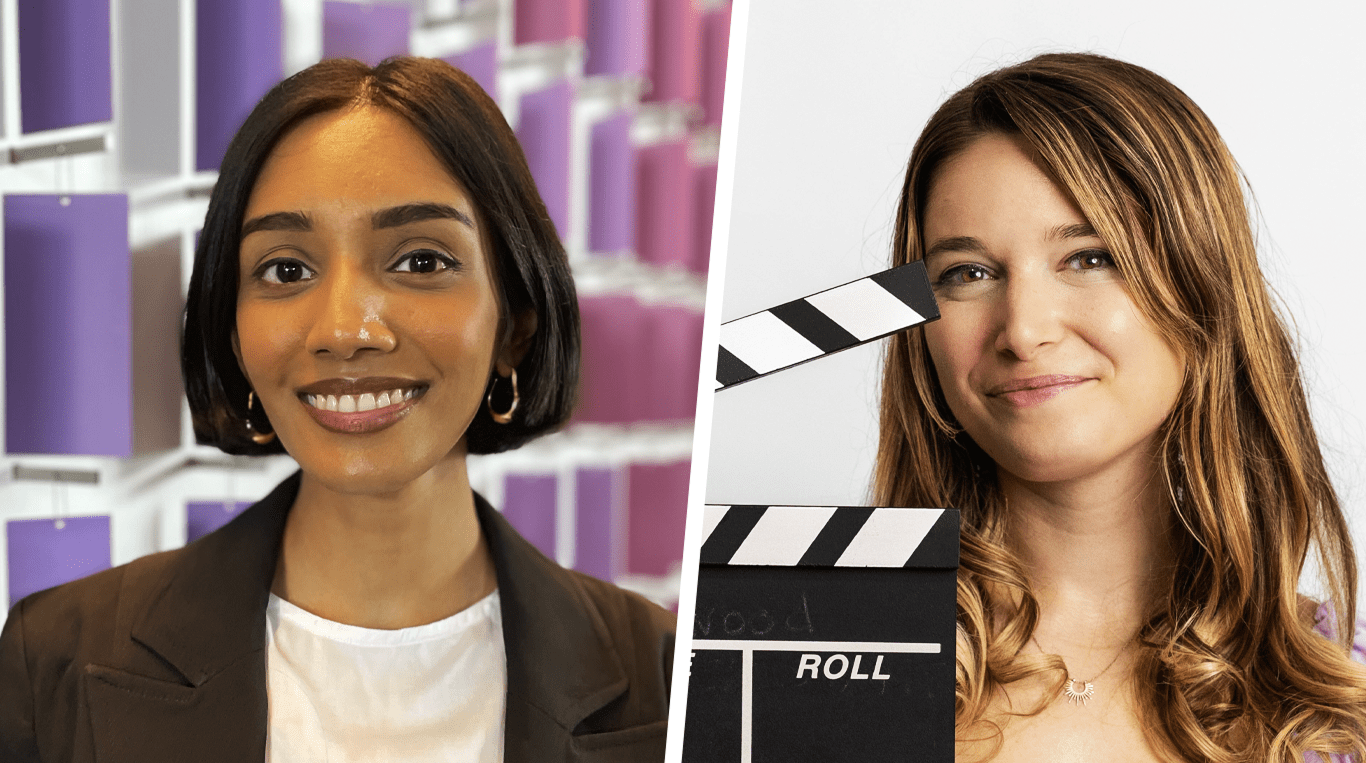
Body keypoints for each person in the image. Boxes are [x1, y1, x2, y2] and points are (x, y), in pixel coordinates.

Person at [0, 57, 673, 763]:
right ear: (232, 333)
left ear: (515, 324)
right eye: (285, 270)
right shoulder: (55, 660)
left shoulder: (662, 681)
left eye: (419, 261)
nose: (346, 330)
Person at [874, 52, 1366, 762]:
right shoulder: (811, 668)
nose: (1024, 328)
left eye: (1089, 256)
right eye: (967, 273)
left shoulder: (1344, 696)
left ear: (1201, 284)